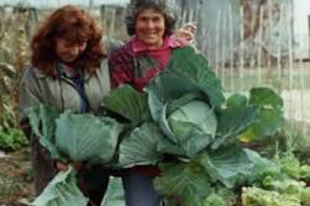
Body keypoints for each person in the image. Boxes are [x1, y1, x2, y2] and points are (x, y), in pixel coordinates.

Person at [19, 4, 195, 206]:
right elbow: (30, 123)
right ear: (51, 40)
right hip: (61, 167)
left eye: (81, 43)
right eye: (67, 44)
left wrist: (172, 40)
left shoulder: (102, 53)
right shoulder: (35, 74)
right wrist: (54, 158)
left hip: (97, 162)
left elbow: (141, 47)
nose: (75, 51)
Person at [108, 0, 194, 206]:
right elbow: (121, 104)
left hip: (182, 154)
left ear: (166, 21)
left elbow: (201, 95)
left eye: (156, 19)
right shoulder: (124, 57)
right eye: (143, 19)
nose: (150, 26)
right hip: (142, 156)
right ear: (133, 23)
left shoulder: (183, 51)